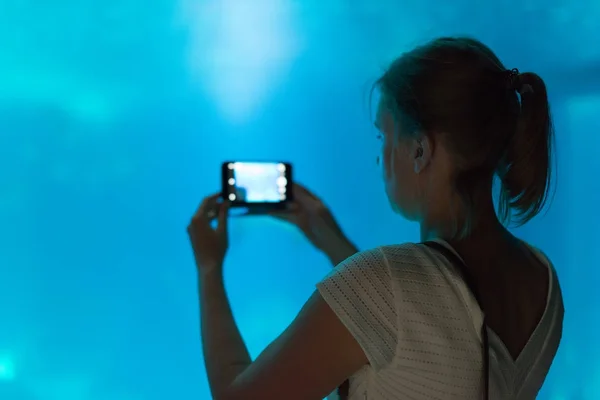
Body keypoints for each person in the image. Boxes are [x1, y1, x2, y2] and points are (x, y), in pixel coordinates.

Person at [187, 37, 564, 400]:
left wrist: (208, 267)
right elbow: (420, 323)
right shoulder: (544, 281)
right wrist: (329, 239)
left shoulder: (386, 282)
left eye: (383, 135)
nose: (379, 157)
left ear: (420, 149)